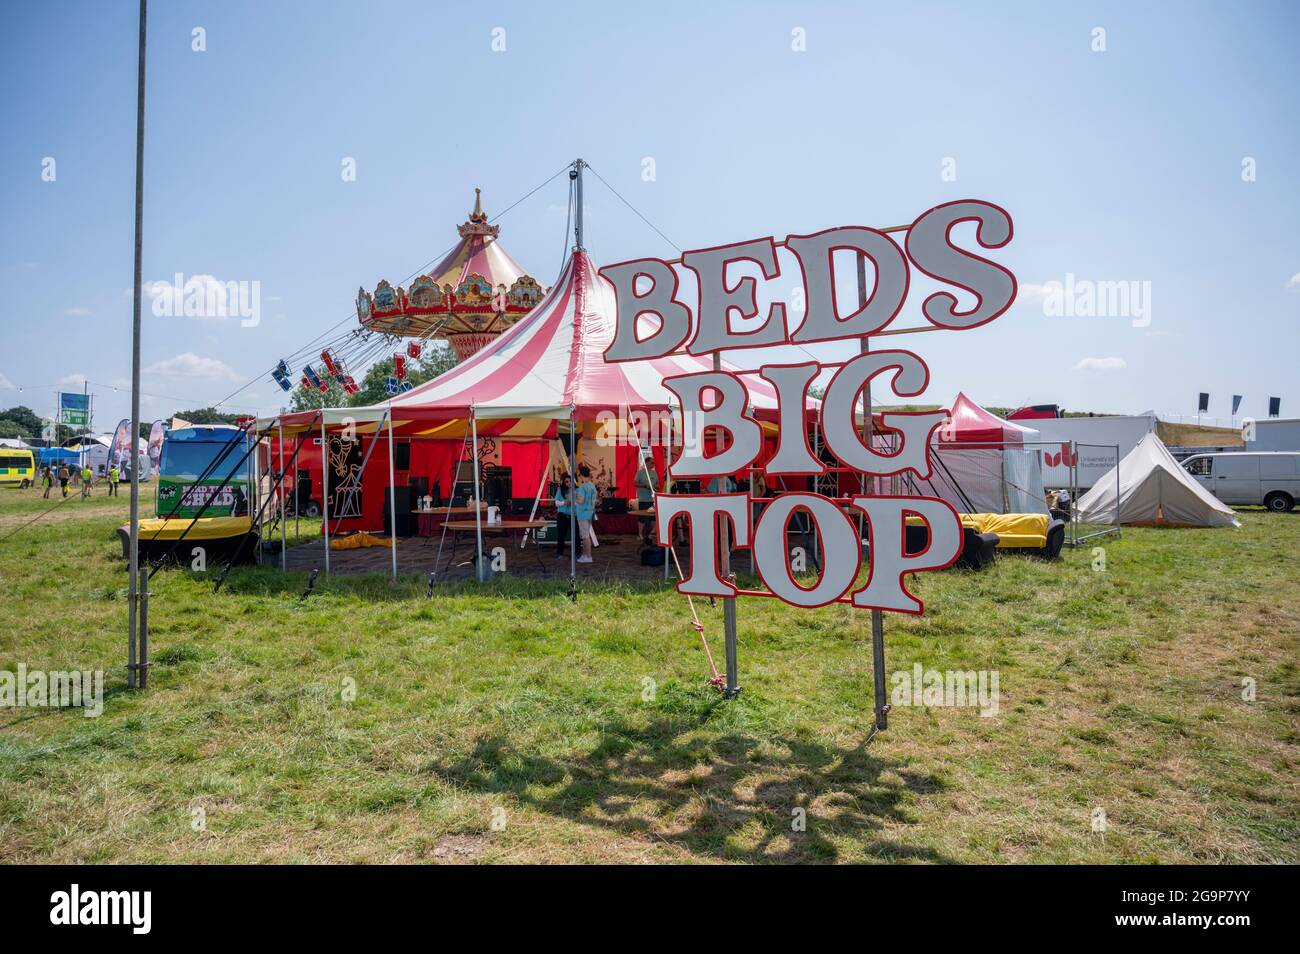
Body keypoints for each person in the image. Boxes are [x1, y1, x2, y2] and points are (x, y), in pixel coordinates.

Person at [574, 465, 598, 564]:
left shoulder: (583, 487)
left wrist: (574, 499)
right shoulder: (592, 486)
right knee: (585, 535)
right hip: (590, 512)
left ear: (581, 475)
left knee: (585, 536)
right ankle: (585, 555)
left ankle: (588, 556)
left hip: (583, 514)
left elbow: (581, 500)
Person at [553, 472, 574, 560]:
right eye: (566, 481)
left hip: (572, 515)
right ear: (563, 482)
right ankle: (559, 553)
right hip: (562, 515)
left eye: (570, 481)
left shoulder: (575, 490)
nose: (568, 483)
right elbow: (556, 503)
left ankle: (576, 553)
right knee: (561, 535)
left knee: (575, 536)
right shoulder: (560, 490)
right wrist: (564, 502)